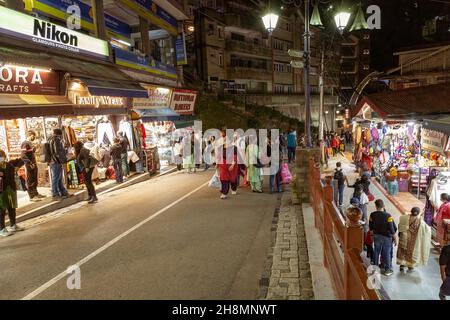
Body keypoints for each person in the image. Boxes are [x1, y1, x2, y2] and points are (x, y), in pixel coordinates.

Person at [396, 207, 431, 272]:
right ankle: (410, 266)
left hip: (403, 238)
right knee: (411, 253)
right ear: (418, 213)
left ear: (411, 211)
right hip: (413, 241)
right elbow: (426, 230)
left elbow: (399, 227)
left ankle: (402, 265)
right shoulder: (420, 220)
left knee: (402, 252)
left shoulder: (404, 218)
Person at [369, 199, 398, 276]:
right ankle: (387, 270)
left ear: (376, 206)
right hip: (386, 238)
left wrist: (371, 237)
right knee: (386, 253)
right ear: (383, 206)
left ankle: (375, 269)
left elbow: (371, 227)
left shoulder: (372, 215)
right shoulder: (388, 216)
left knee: (376, 251)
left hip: (376, 236)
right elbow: (392, 229)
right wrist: (395, 239)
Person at [0, 150, 25, 236]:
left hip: (11, 189)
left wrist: (17, 167)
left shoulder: (9, 164)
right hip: (1, 190)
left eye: (2, 156)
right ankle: (2, 228)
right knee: (2, 209)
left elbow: (22, 160)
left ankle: (13, 225)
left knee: (12, 207)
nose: (1, 158)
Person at [21, 130, 46, 202]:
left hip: (33, 163)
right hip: (30, 165)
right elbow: (23, 155)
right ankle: (31, 196)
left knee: (34, 179)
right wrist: (29, 163)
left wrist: (34, 149)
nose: (34, 137)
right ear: (30, 135)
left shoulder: (29, 143)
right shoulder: (25, 143)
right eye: (33, 136)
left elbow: (30, 153)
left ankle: (35, 193)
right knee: (31, 180)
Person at [48, 128, 70, 200]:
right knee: (56, 178)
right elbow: (57, 152)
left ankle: (62, 192)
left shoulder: (50, 139)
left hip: (53, 161)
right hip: (56, 162)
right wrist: (63, 159)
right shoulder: (56, 140)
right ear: (59, 134)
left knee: (58, 178)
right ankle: (55, 194)